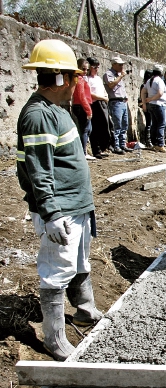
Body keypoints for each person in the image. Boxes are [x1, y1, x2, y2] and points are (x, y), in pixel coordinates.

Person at [17, 39, 103, 361]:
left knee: (79, 262)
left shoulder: (56, 110)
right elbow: (39, 171)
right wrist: (51, 213)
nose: (78, 82)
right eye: (74, 77)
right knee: (57, 269)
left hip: (75, 206)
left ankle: (85, 310)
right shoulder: (38, 116)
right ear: (59, 78)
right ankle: (54, 339)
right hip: (61, 211)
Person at [104, 56, 131, 155]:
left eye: (122, 65)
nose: (122, 66)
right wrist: (120, 77)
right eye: (119, 65)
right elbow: (111, 85)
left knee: (124, 124)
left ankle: (123, 144)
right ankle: (116, 146)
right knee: (117, 125)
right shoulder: (109, 74)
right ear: (113, 64)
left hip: (123, 101)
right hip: (115, 102)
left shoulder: (119, 75)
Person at [86, 57, 112, 159]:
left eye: (97, 67)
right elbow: (89, 94)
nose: (96, 69)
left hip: (103, 103)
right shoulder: (87, 79)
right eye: (94, 67)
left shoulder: (98, 78)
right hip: (94, 104)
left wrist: (105, 97)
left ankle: (102, 148)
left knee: (106, 126)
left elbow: (103, 90)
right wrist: (102, 98)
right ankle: (96, 150)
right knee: (95, 129)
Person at [71, 58, 94, 160]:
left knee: (87, 129)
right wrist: (88, 110)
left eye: (86, 69)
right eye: (83, 69)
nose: (85, 72)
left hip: (81, 106)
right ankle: (83, 152)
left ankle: (83, 151)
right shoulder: (79, 79)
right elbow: (81, 96)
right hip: (81, 106)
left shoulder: (80, 79)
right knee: (85, 130)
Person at [144, 67, 166, 152]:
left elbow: (143, 91)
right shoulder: (159, 81)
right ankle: (160, 144)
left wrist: (146, 102)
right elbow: (160, 93)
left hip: (151, 105)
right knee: (161, 125)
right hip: (159, 104)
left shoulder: (149, 81)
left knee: (154, 124)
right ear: (161, 73)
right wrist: (151, 98)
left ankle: (154, 143)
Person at [138, 69, 153, 148]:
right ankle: (148, 141)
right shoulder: (145, 85)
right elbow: (143, 97)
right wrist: (144, 105)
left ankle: (149, 140)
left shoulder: (147, 85)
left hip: (149, 105)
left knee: (150, 123)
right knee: (149, 123)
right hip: (147, 105)